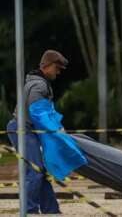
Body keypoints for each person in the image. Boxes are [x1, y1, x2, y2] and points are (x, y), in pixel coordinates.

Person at [6, 50, 69, 214]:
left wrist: (57, 125)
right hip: (22, 129)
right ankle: (29, 210)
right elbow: (38, 111)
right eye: (57, 67)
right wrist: (56, 129)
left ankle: (51, 209)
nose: (59, 71)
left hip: (26, 129)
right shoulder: (39, 85)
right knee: (35, 171)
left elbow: (44, 112)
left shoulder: (38, 82)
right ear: (47, 66)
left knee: (39, 170)